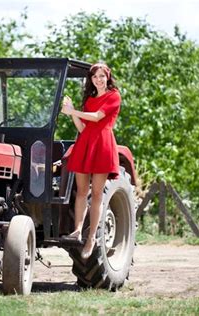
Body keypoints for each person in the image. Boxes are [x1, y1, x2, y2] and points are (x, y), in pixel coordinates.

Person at [61, 62, 121, 259]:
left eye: (102, 76)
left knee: (96, 193)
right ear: (91, 80)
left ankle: (92, 237)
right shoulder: (89, 99)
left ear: (107, 77)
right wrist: (71, 112)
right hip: (86, 144)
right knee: (81, 191)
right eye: (95, 77)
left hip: (103, 144)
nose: (98, 80)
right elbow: (83, 128)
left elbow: (96, 118)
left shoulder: (114, 96)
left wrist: (73, 111)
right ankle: (77, 230)